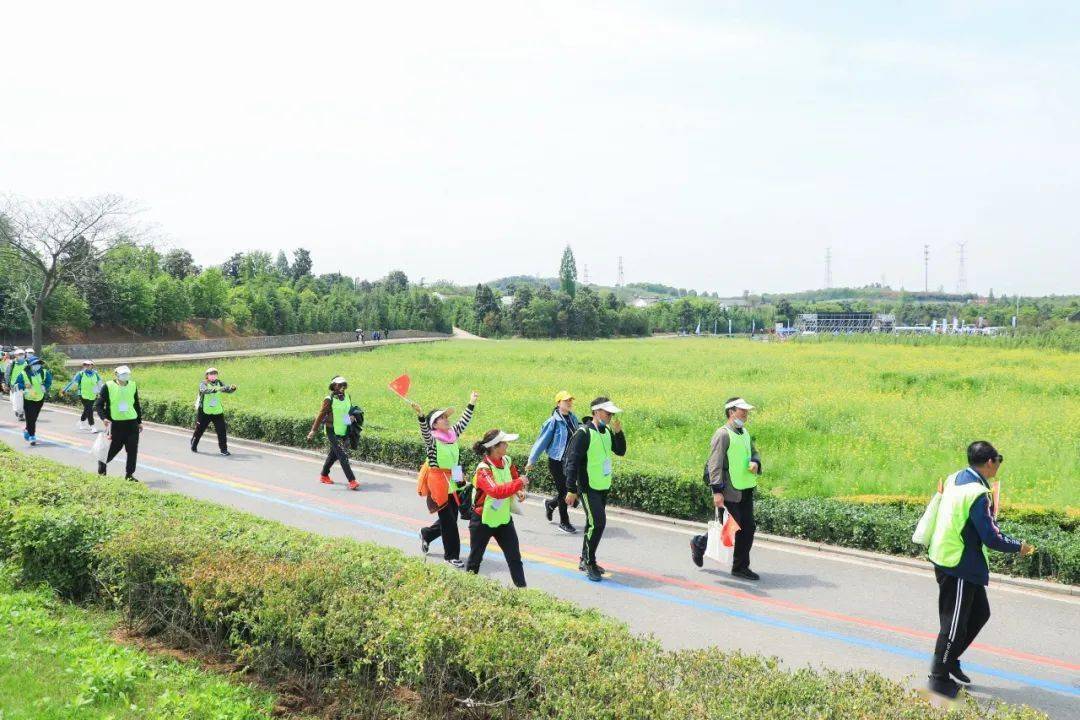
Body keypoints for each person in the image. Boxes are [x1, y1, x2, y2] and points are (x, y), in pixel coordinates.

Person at [926, 441, 1035, 698]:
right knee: (954, 625)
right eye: (999, 460)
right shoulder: (977, 494)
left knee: (980, 613)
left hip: (952, 555)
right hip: (958, 563)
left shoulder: (957, 478)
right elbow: (991, 537)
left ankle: (949, 659)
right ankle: (938, 677)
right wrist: (1019, 547)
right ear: (989, 463)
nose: (999, 464)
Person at [689, 397, 763, 580]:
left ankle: (740, 567)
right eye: (742, 411)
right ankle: (699, 544)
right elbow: (715, 464)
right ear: (731, 412)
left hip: (745, 488)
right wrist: (717, 491)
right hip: (729, 490)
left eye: (746, 411)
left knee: (748, 528)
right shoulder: (722, 434)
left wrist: (755, 462)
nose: (745, 415)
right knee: (730, 527)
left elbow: (753, 452)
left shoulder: (744, 432)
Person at [410, 392, 477, 568]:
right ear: (434, 424)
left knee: (451, 517)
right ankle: (451, 556)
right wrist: (420, 415)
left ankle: (427, 534)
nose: (447, 419)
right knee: (449, 522)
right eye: (442, 418)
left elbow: (464, 421)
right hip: (439, 481)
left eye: (446, 417)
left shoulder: (452, 434)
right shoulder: (432, 439)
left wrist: (471, 403)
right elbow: (424, 431)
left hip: (454, 475)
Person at [563, 397, 626, 582]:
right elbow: (571, 462)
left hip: (602, 485)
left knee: (593, 524)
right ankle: (589, 562)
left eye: (612, 413)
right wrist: (571, 489)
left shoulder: (606, 431)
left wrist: (618, 433)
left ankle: (585, 559)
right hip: (587, 486)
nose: (610, 416)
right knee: (598, 523)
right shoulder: (583, 433)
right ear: (596, 412)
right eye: (608, 413)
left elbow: (620, 451)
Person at [466, 429, 529, 587]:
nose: (507, 445)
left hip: (503, 519)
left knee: (514, 557)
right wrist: (519, 483)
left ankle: (522, 591)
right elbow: (496, 492)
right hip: (482, 521)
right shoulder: (483, 469)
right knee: (475, 560)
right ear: (494, 447)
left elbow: (514, 477)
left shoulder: (506, 460)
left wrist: (519, 491)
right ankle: (467, 590)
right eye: (504, 443)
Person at [525, 390, 581, 533]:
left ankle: (550, 504)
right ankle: (564, 522)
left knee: (570, 490)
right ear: (558, 403)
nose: (569, 403)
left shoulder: (573, 418)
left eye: (570, 400)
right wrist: (531, 460)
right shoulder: (553, 422)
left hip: (569, 462)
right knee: (564, 491)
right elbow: (541, 442)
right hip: (556, 462)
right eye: (565, 401)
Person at [306, 376, 360, 490]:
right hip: (332, 431)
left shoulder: (347, 397)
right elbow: (320, 416)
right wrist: (313, 431)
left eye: (343, 385)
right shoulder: (329, 399)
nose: (342, 387)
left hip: (344, 430)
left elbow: (346, 412)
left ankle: (324, 475)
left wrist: (351, 418)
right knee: (342, 455)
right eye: (339, 385)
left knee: (333, 454)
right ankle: (352, 480)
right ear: (334, 386)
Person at [95, 365, 142, 481]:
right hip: (115, 425)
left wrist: (139, 422)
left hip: (131, 424)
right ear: (116, 374)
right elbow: (99, 405)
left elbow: (136, 404)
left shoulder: (132, 385)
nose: (125, 376)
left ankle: (129, 475)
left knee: (132, 451)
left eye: (127, 374)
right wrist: (104, 418)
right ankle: (102, 465)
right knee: (113, 449)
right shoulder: (108, 386)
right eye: (122, 374)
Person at [191, 367, 237, 455]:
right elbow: (204, 391)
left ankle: (224, 450)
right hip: (205, 412)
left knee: (222, 431)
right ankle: (194, 444)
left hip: (217, 411)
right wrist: (215, 389)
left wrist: (232, 388)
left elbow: (226, 389)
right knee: (199, 430)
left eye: (215, 374)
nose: (213, 376)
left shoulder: (219, 382)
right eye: (211, 374)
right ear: (207, 376)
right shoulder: (203, 383)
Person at [15, 355, 53, 446]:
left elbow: (49, 381)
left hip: (40, 398)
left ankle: (27, 429)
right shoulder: (23, 374)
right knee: (30, 418)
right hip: (28, 399)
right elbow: (17, 383)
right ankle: (32, 436)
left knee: (34, 418)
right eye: (35, 364)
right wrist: (24, 388)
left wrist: (45, 386)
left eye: (38, 363)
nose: (37, 365)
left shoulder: (44, 372)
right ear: (30, 365)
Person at [62, 360, 103, 432]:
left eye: (88, 364)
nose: (87, 366)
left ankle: (81, 422)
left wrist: (102, 392)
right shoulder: (80, 374)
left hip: (92, 395)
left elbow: (100, 384)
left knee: (87, 409)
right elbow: (72, 382)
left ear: (92, 365)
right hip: (82, 395)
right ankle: (92, 426)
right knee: (89, 409)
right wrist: (65, 390)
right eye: (85, 365)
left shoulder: (95, 374)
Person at [7, 348, 28, 421]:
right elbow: (7, 374)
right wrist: (7, 383)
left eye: (22, 354)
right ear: (15, 355)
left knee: (19, 399)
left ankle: (20, 413)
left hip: (22, 384)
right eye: (19, 354)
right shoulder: (12, 364)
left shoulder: (27, 363)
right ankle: (17, 410)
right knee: (12, 399)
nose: (21, 356)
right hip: (12, 384)